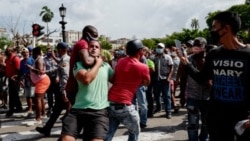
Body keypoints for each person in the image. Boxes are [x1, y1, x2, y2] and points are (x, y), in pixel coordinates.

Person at [179, 11, 250, 141]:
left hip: (241, 119)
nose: (212, 30)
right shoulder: (214, 53)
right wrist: (187, 64)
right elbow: (202, 78)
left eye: (214, 27)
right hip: (216, 116)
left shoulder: (247, 54)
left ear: (226, 28)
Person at [60, 40, 114, 141]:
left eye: (96, 47)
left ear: (100, 51)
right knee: (66, 139)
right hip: (78, 110)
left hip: (100, 112)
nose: (94, 48)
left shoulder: (106, 66)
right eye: (91, 46)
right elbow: (86, 79)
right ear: (86, 50)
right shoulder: (78, 65)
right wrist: (98, 63)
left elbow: (117, 81)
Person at [105, 39, 150, 141]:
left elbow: (118, 77)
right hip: (124, 105)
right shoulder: (143, 67)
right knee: (135, 132)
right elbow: (146, 83)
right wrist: (137, 80)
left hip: (110, 102)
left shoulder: (121, 61)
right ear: (140, 51)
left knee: (109, 133)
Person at [36, 42, 70, 137]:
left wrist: (64, 91)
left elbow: (65, 76)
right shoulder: (63, 60)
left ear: (62, 50)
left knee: (70, 112)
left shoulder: (65, 60)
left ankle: (70, 132)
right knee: (57, 110)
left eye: (58, 50)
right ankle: (47, 128)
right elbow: (57, 69)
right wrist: (45, 71)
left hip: (64, 89)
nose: (56, 52)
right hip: (64, 89)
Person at [182, 37, 210, 141]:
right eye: (195, 45)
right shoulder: (187, 60)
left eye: (199, 45)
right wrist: (182, 95)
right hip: (192, 96)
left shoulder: (209, 60)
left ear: (205, 47)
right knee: (192, 124)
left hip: (207, 98)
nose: (196, 47)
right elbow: (183, 78)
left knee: (206, 124)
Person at [64, 25, 98, 109]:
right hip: (75, 88)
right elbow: (87, 61)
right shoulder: (83, 44)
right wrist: (99, 59)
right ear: (87, 34)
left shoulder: (85, 44)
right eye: (94, 35)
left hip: (77, 87)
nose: (96, 38)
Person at [27, 47, 51, 125]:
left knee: (37, 99)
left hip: (42, 81)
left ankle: (38, 118)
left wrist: (31, 68)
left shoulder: (39, 60)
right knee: (40, 99)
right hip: (40, 81)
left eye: (32, 53)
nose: (31, 55)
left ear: (36, 53)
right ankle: (43, 114)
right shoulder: (38, 59)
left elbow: (40, 72)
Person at [152, 43, 173, 119]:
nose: (159, 49)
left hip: (165, 80)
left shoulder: (168, 57)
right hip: (156, 80)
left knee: (167, 96)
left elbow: (171, 68)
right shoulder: (154, 58)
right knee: (156, 95)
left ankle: (168, 112)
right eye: (158, 47)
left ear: (164, 49)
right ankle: (158, 107)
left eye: (160, 47)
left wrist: (169, 78)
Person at [5, 46, 22, 117]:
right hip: (10, 78)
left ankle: (11, 110)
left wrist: (16, 77)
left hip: (15, 79)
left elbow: (19, 70)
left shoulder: (15, 58)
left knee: (12, 94)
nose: (6, 52)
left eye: (7, 51)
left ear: (11, 51)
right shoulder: (8, 58)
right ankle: (19, 107)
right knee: (14, 94)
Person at [19, 47, 35, 117]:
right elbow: (21, 72)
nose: (25, 54)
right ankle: (30, 109)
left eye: (26, 52)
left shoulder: (32, 60)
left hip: (33, 80)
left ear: (28, 53)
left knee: (34, 96)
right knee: (28, 96)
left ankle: (38, 110)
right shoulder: (21, 62)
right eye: (24, 53)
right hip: (26, 80)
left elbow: (36, 70)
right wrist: (21, 81)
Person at [44, 47, 59, 116]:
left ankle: (56, 107)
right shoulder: (44, 60)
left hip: (55, 78)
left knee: (56, 94)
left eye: (51, 51)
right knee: (49, 94)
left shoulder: (56, 59)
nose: (49, 52)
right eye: (48, 51)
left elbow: (59, 68)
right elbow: (43, 69)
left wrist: (57, 76)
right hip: (48, 78)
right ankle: (50, 107)